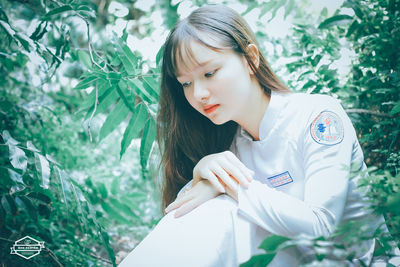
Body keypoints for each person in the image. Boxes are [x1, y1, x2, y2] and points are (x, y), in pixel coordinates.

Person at [119, 5, 380, 267]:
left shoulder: (317, 116)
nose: (198, 94)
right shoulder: (230, 145)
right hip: (284, 259)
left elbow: (321, 225)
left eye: (209, 73)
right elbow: (185, 221)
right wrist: (204, 170)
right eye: (186, 83)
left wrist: (229, 183)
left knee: (221, 207)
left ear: (250, 58)